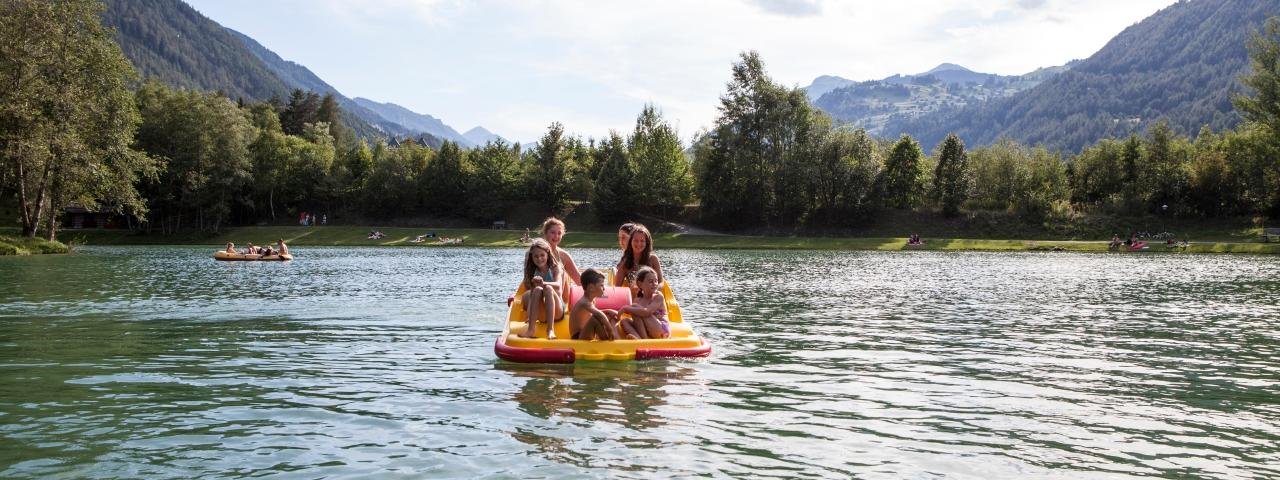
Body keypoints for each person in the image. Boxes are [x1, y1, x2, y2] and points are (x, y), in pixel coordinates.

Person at [518, 239, 567, 340]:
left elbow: (558, 285)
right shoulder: (533, 271)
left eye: (542, 255)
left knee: (548, 288)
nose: (539, 259)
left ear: (548, 254)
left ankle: (550, 330)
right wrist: (529, 316)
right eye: (535, 256)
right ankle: (531, 330)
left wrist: (543, 283)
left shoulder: (555, 268)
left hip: (557, 311)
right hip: (541, 314)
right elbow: (532, 295)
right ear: (531, 257)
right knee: (536, 290)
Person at [620, 266, 669, 339]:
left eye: (656, 281)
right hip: (648, 330)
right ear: (640, 284)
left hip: (661, 330)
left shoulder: (658, 297)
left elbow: (646, 312)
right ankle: (639, 338)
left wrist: (626, 308)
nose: (654, 284)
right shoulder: (638, 300)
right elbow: (632, 314)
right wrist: (613, 313)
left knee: (635, 308)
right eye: (650, 281)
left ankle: (643, 340)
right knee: (624, 321)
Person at [569, 269, 619, 341]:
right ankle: (607, 340)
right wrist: (609, 329)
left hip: (585, 333)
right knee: (595, 319)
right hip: (578, 337)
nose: (604, 288)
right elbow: (599, 314)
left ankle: (616, 337)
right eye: (601, 285)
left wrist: (608, 311)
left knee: (609, 315)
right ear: (591, 288)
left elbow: (594, 313)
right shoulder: (584, 302)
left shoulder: (591, 300)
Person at [540, 217, 582, 285]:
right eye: (553, 232)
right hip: (539, 290)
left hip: (559, 292)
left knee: (561, 272)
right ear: (545, 233)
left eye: (559, 233)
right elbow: (528, 276)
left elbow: (579, 281)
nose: (556, 236)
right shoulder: (534, 253)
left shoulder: (564, 256)